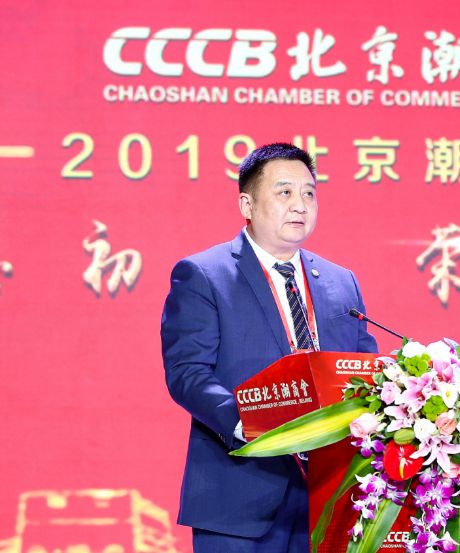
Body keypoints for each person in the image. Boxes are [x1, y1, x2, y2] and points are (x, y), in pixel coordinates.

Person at [160, 143, 378, 552]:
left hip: (331, 497)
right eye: (285, 192)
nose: (300, 205)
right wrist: (252, 423)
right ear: (247, 203)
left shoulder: (340, 281)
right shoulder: (204, 275)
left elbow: (365, 369)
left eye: (309, 193)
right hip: (239, 495)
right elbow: (188, 373)